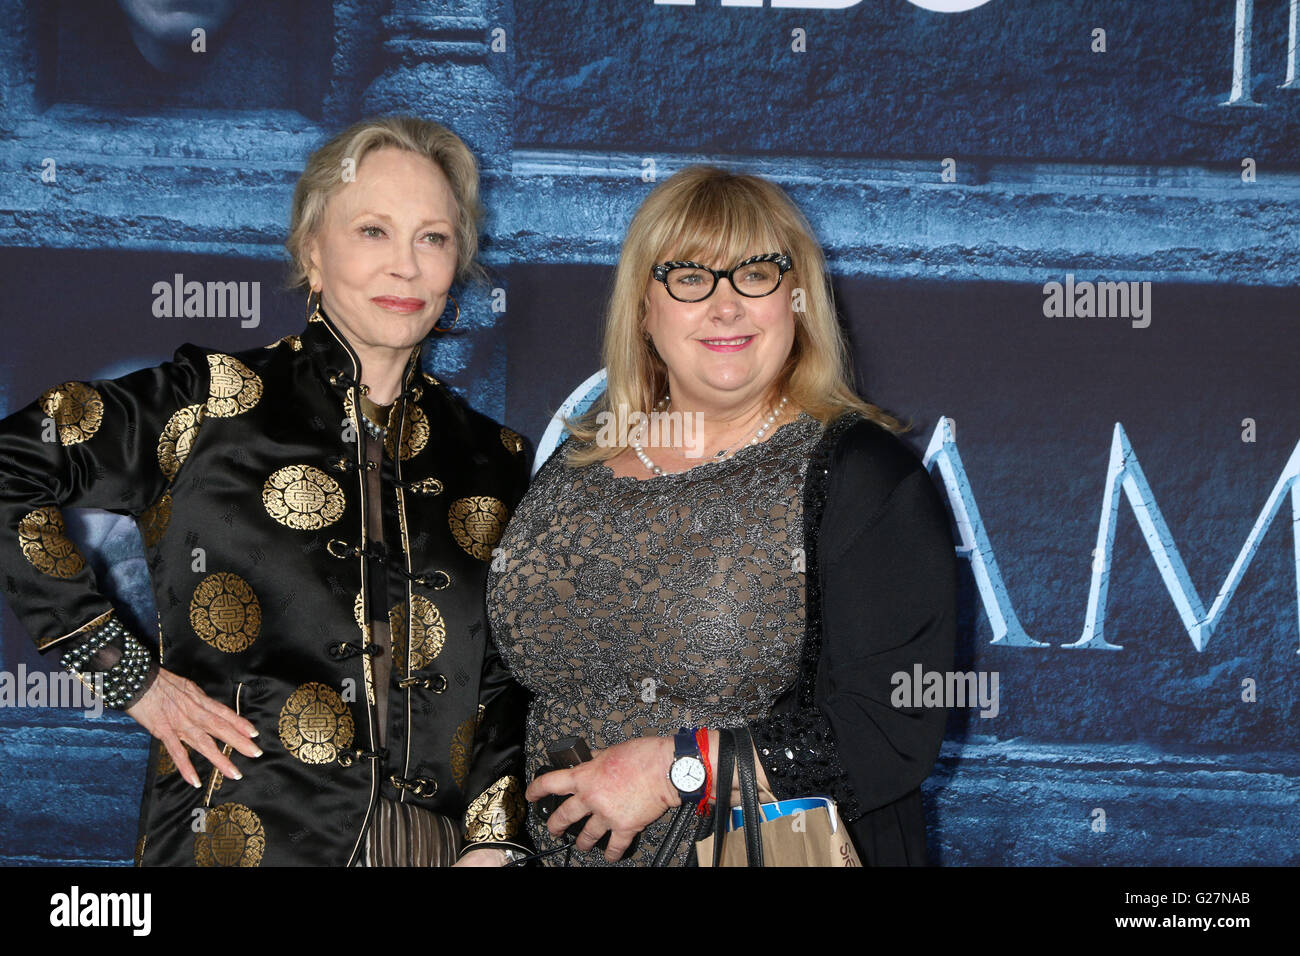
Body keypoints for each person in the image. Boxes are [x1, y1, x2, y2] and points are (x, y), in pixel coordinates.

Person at [0, 115, 531, 866]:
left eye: (434, 237)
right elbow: (10, 467)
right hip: (242, 844)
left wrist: (496, 840)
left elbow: (507, 674)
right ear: (312, 251)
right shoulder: (210, 402)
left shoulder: (495, 457)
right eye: (374, 231)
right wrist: (128, 674)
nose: (406, 268)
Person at [484, 166, 958, 866]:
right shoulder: (574, 467)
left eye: (755, 274)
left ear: (796, 301)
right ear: (644, 308)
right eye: (689, 276)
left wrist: (675, 768)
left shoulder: (859, 475)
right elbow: (498, 682)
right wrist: (489, 837)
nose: (726, 306)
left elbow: (890, 727)